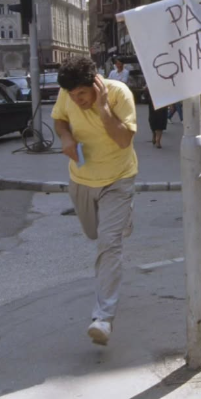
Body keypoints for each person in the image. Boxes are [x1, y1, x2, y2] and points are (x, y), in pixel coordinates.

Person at [51, 56, 138, 347]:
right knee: (93, 233)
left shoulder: (118, 94)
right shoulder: (67, 96)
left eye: (82, 94)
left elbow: (124, 140)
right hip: (82, 179)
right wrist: (64, 137)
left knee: (108, 243)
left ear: (96, 84)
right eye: (72, 95)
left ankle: (103, 318)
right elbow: (59, 119)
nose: (77, 101)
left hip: (118, 178)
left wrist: (102, 109)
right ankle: (123, 216)